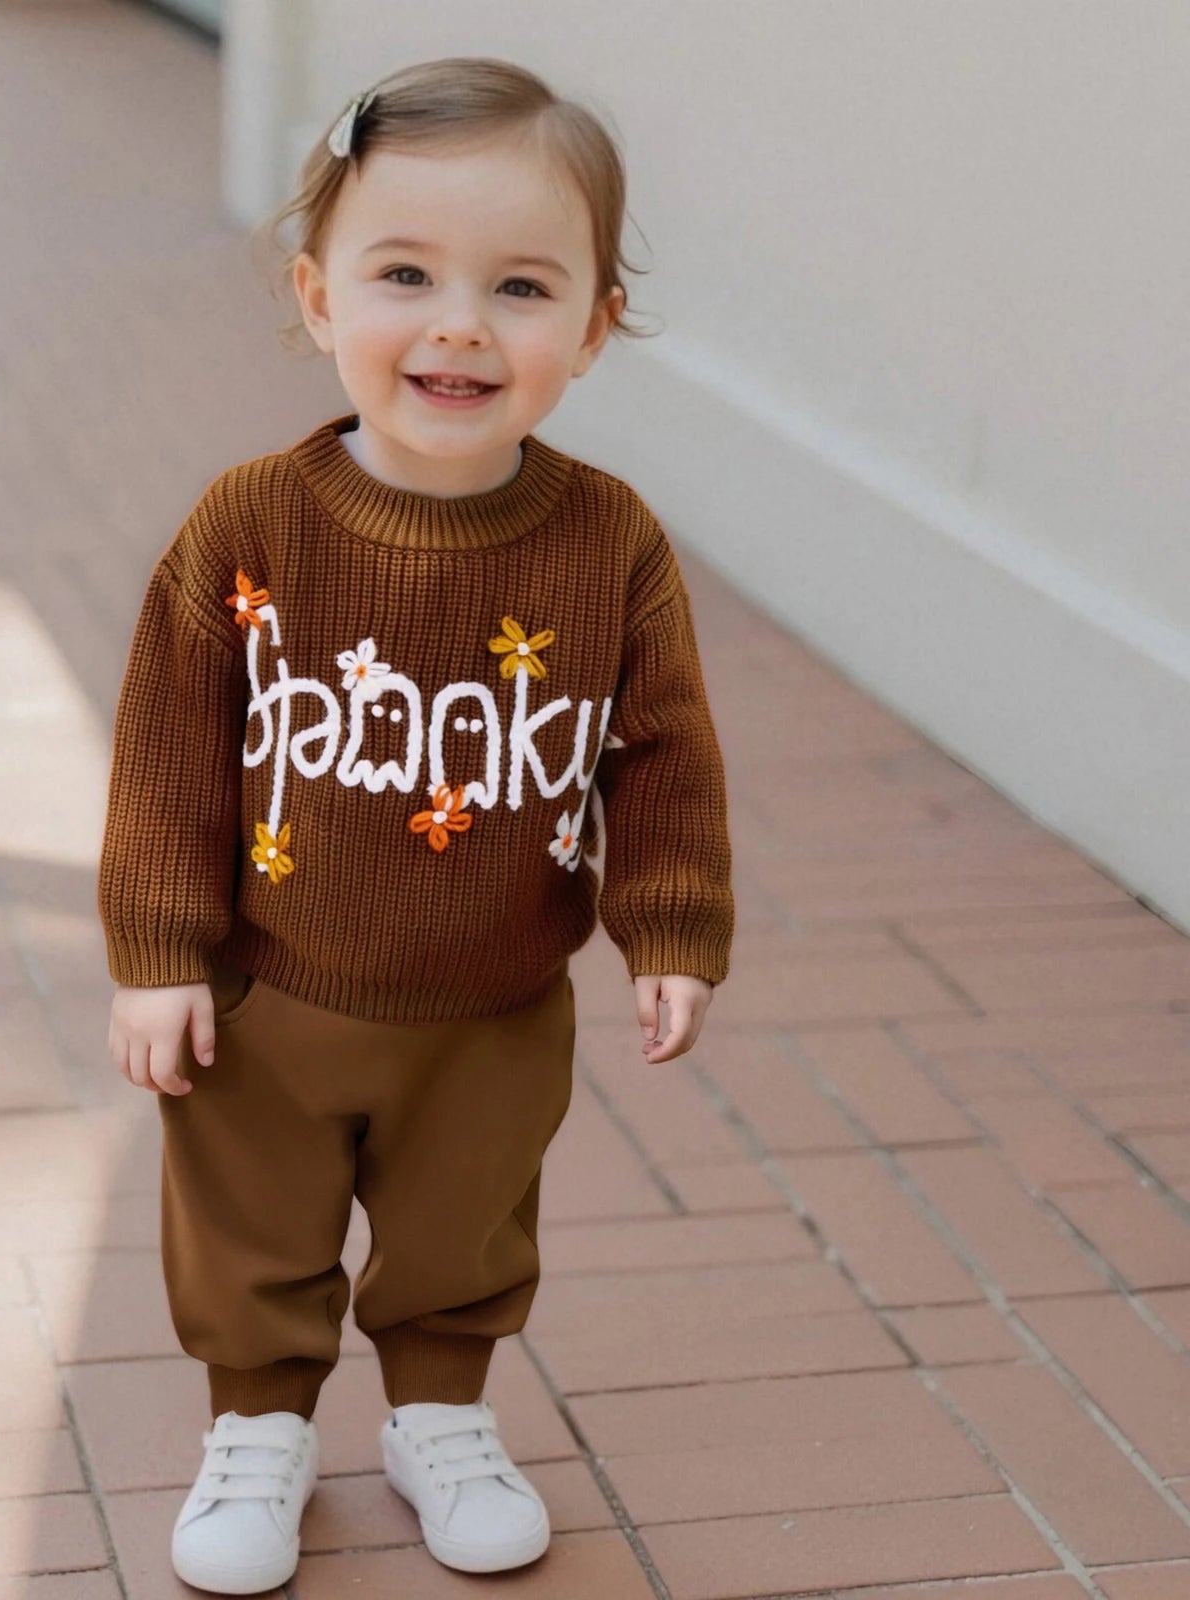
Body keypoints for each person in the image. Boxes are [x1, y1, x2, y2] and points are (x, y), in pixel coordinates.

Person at [97, 55, 734, 1596]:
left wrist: (673, 928)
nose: (458, 323)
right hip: (274, 991)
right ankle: (258, 1429)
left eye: (520, 287)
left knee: (465, 1231)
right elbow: (175, 745)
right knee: (252, 1226)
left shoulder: (609, 543)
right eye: (405, 274)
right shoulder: (252, 525)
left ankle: (440, 1416)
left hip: (495, 1001)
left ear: (590, 330)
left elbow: (659, 753)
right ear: (319, 300)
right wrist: (157, 951)